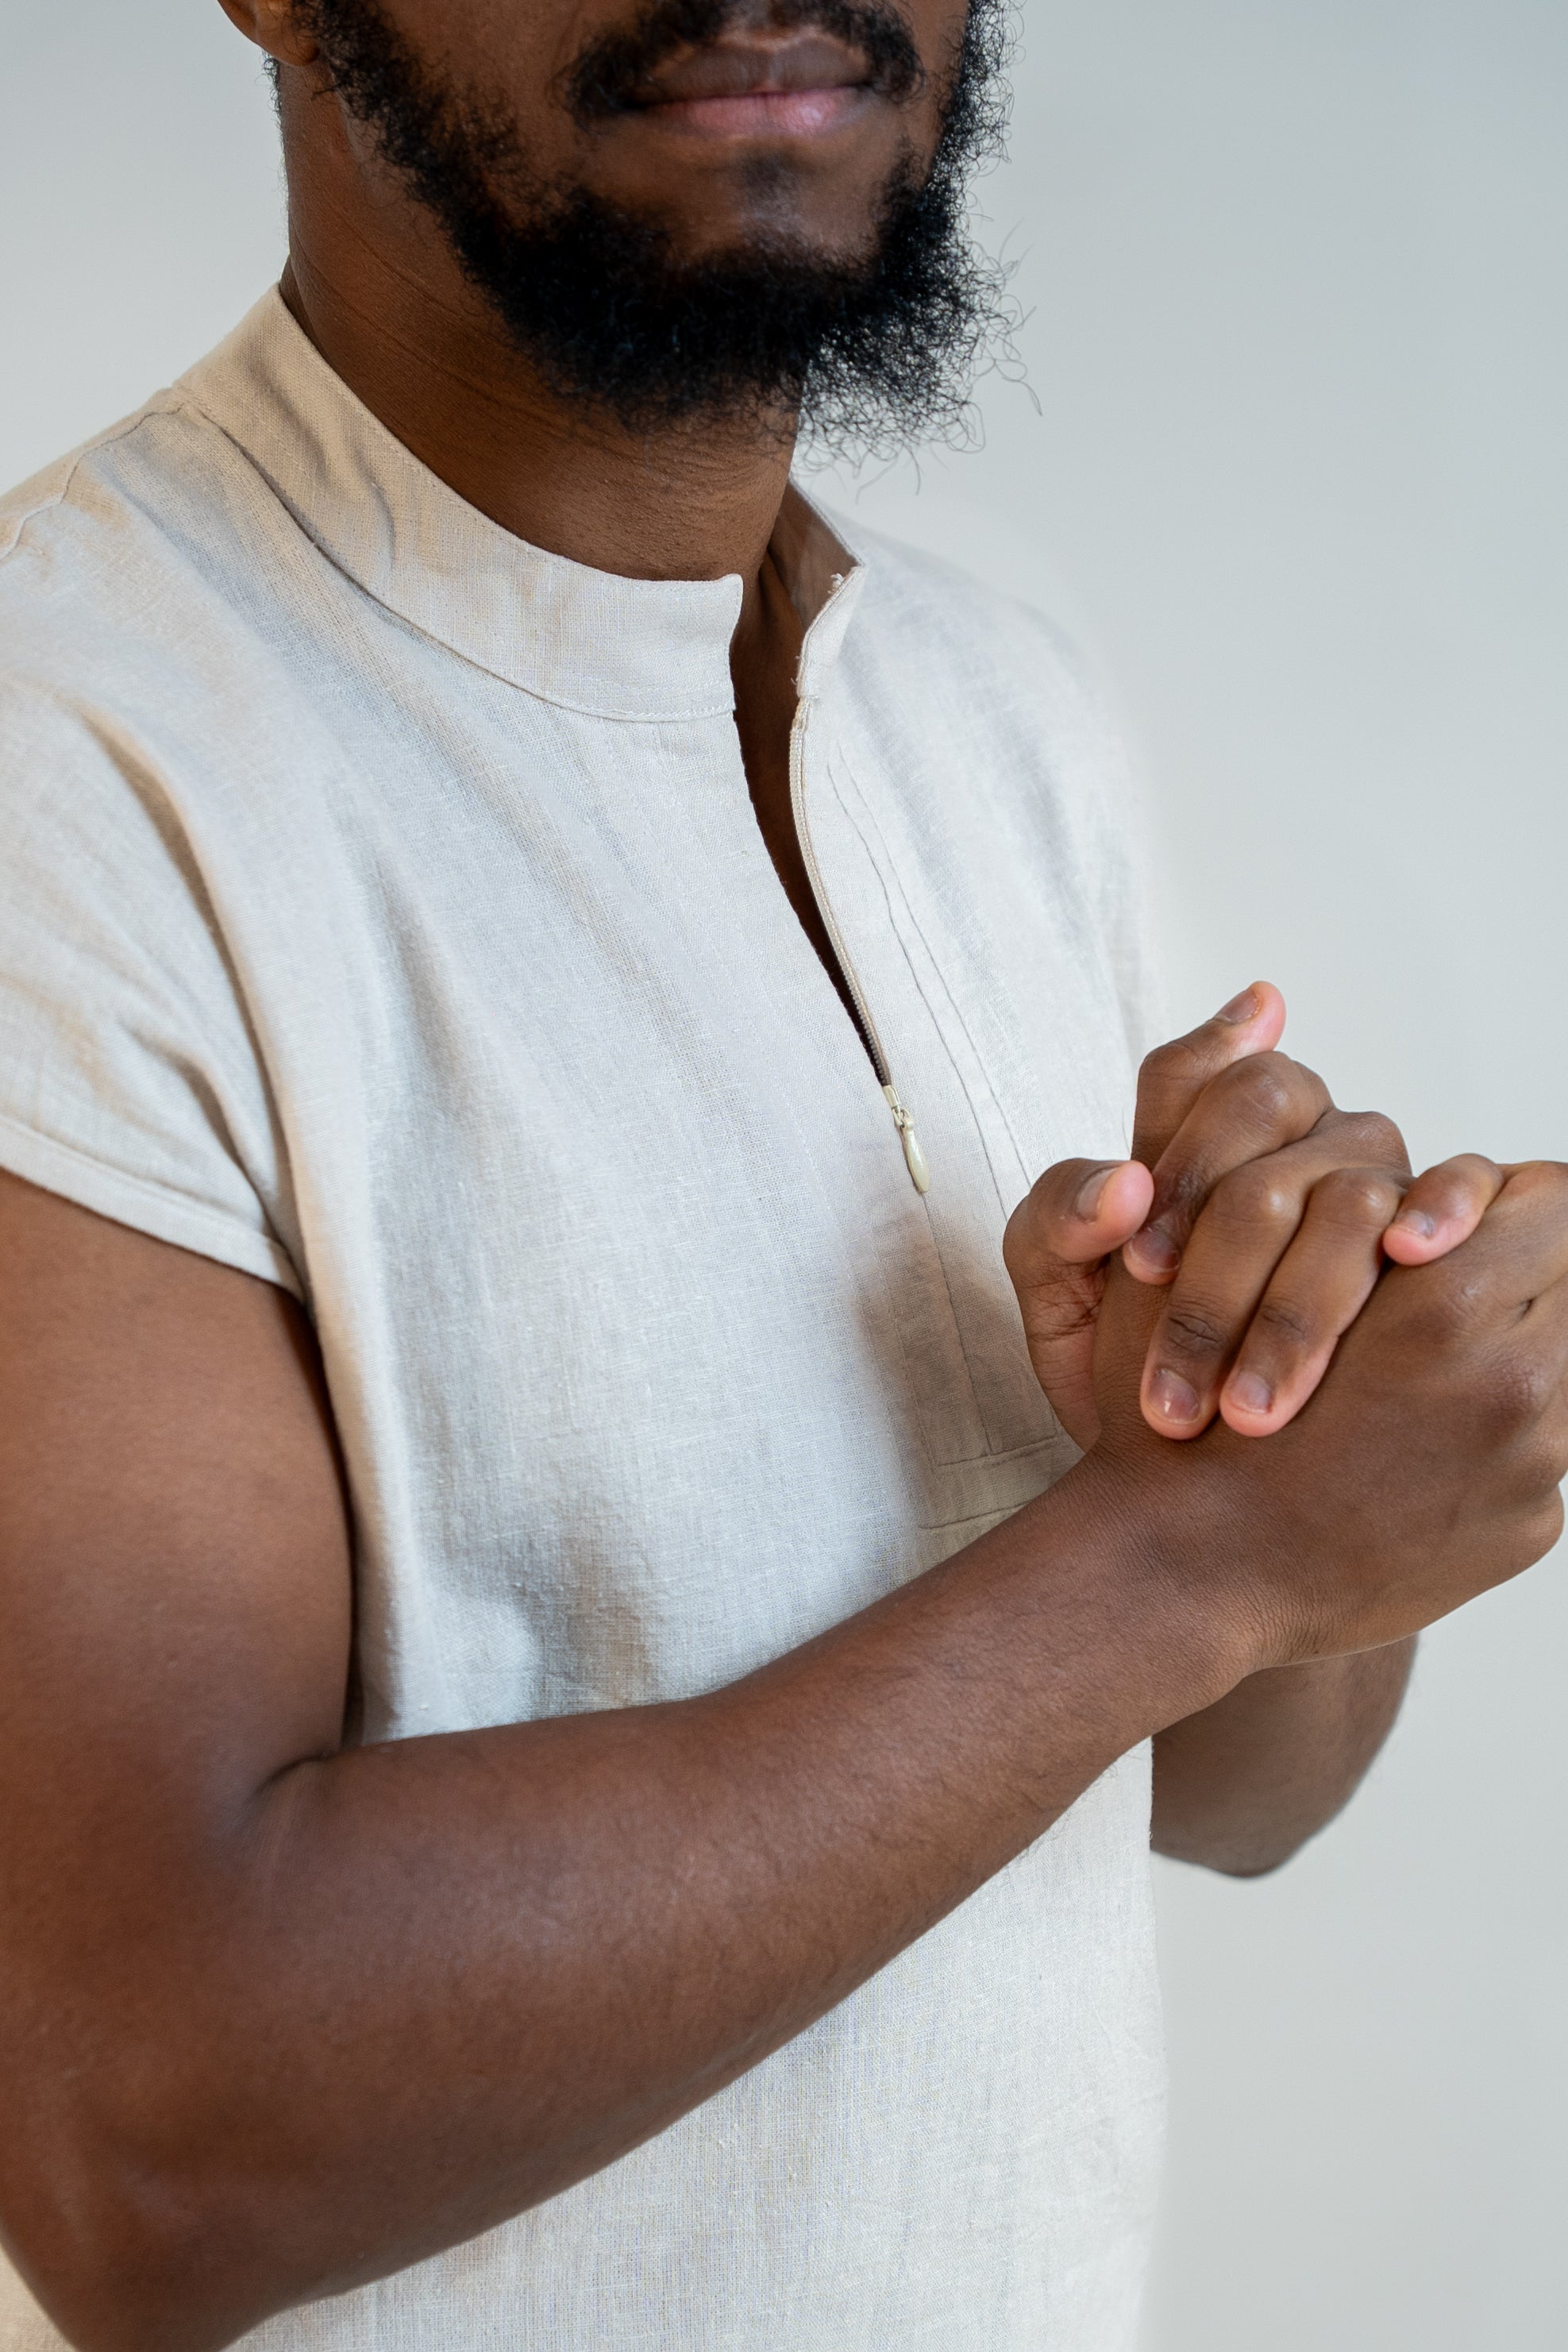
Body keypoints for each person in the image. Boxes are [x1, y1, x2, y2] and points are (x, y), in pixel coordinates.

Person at [0, 2, 1562, 2347]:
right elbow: (149, 2142)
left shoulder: (986, 709)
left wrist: (1280, 1429)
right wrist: (1191, 1549)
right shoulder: (81, 747)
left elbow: (1234, 1782)